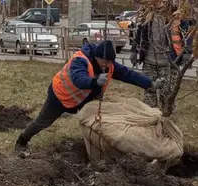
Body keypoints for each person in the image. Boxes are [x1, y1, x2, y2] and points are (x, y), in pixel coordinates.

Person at [14, 40, 163, 153]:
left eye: (110, 62)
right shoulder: (81, 59)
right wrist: (95, 81)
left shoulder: (110, 65)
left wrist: (150, 84)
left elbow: (128, 74)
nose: (106, 65)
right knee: (43, 122)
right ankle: (23, 140)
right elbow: (78, 79)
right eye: (104, 62)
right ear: (97, 56)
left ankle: (96, 146)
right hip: (60, 95)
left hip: (84, 98)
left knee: (97, 119)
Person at [130, 11, 193, 113]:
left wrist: (187, 53)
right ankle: (149, 119)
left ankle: (168, 120)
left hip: (170, 63)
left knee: (168, 95)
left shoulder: (176, 14)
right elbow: (140, 33)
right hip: (149, 62)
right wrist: (134, 50)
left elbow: (188, 33)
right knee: (149, 93)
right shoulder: (148, 13)